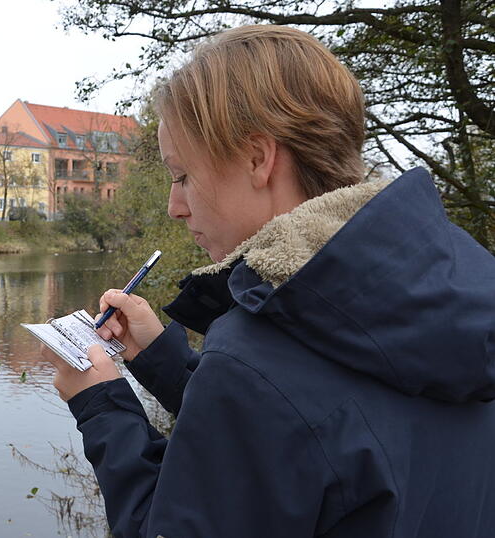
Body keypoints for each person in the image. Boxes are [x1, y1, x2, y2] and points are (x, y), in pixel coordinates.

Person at [42, 25, 495, 537]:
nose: (174, 206)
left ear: (258, 159)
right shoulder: (454, 291)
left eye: (183, 175)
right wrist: (160, 359)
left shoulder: (259, 355)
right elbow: (304, 430)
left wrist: (100, 403)